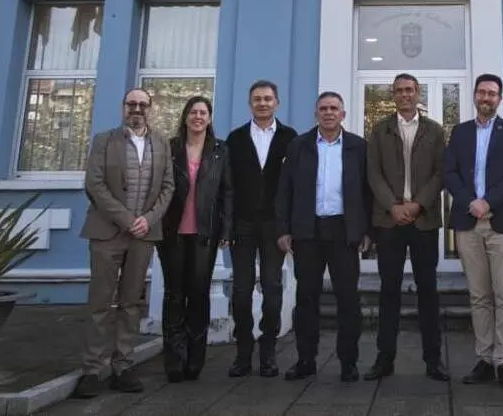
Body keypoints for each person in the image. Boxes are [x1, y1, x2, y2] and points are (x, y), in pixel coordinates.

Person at [73, 88, 175, 399]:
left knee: (131, 303)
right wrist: (126, 218)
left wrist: (148, 218)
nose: (137, 109)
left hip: (144, 235)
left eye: (143, 105)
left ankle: (123, 365)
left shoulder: (161, 143)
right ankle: (92, 369)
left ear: (150, 109)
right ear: (123, 107)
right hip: (107, 232)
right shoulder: (105, 140)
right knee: (100, 303)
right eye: (132, 104)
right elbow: (94, 184)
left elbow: (168, 186)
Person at [276, 92, 372, 382]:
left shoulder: (358, 146)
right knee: (306, 298)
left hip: (344, 232)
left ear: (343, 114)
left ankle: (348, 362)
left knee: (348, 299)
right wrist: (283, 229)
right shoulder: (299, 146)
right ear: (316, 114)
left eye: (334, 108)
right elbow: (285, 190)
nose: (328, 113)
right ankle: (306, 359)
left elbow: (368, 193)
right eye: (323, 108)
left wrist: (367, 231)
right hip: (308, 231)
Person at [443, 73, 503, 388]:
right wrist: (471, 202)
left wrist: (488, 201)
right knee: (479, 295)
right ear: (475, 96)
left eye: (492, 93)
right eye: (482, 92)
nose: (486, 98)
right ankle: (483, 358)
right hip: (469, 221)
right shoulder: (460, 132)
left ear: (499, 98)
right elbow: (449, 172)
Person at [363, 73, 450, 382]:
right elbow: (372, 173)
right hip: (389, 221)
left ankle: (433, 360)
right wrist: (394, 206)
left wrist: (417, 204)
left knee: (429, 291)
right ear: (393, 95)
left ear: (417, 93)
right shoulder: (379, 130)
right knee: (389, 291)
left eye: (409, 90)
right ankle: (384, 359)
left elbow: (441, 173)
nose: (404, 95)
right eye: (399, 91)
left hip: (423, 220)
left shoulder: (435, 131)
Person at [158, 95, 233, 383]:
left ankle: (195, 361)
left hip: (205, 233)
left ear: (209, 118)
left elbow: (228, 192)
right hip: (172, 232)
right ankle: (174, 362)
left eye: (203, 112)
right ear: (186, 117)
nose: (198, 117)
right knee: (174, 295)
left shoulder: (220, 150)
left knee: (199, 295)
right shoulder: (170, 148)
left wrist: (226, 231)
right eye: (193, 112)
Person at [226, 80, 298, 378]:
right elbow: (227, 186)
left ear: (277, 103)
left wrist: (289, 226)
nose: (263, 103)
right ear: (250, 103)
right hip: (242, 225)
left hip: (274, 226)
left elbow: (294, 185)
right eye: (257, 99)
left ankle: (268, 352)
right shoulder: (235, 138)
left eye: (268, 99)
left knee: (272, 288)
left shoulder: (290, 138)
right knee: (241, 291)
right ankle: (243, 353)